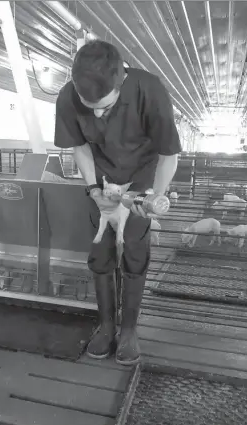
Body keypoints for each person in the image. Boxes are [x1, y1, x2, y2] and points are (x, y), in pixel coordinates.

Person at [54, 40, 181, 365]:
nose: (96, 113)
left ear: (121, 79)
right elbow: (80, 147)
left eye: (105, 106)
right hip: (102, 180)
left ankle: (128, 330)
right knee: (100, 249)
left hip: (141, 179)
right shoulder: (69, 96)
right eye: (89, 105)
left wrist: (154, 195)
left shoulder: (149, 90)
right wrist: (95, 190)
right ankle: (106, 326)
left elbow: (168, 154)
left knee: (135, 250)